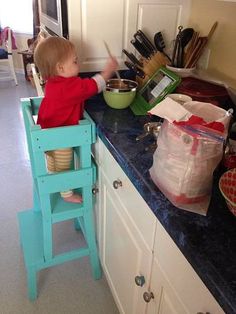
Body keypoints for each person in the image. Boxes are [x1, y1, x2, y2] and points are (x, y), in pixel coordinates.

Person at [34, 36, 118, 203]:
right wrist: (108, 71)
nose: (78, 64)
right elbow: (92, 86)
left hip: (48, 133)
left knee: (54, 162)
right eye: (74, 61)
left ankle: (54, 182)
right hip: (61, 137)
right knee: (64, 166)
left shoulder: (53, 83)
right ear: (60, 68)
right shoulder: (67, 87)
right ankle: (66, 194)